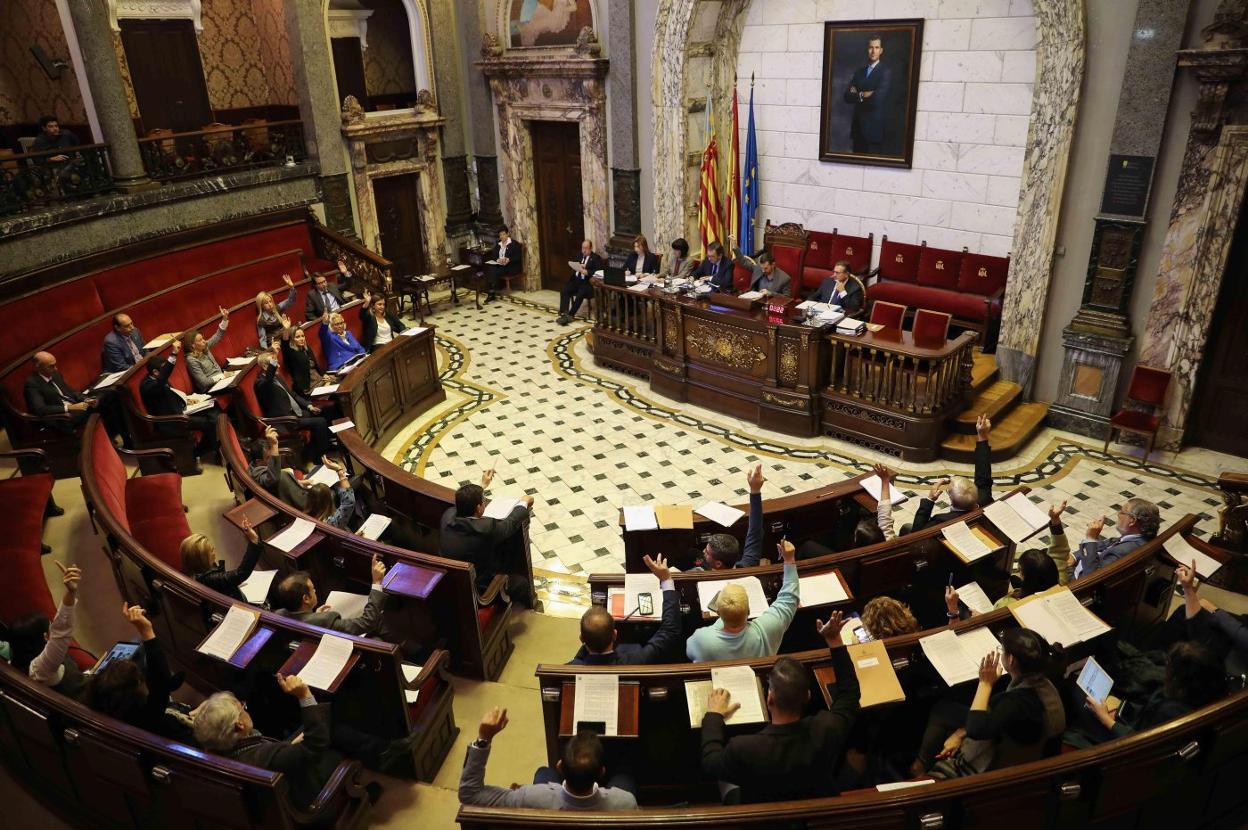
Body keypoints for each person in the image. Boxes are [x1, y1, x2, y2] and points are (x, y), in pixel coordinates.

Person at [700, 613, 861, 803]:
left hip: (762, 813)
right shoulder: (827, 728)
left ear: (769, 699)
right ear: (808, 696)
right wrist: (834, 640)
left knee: (726, 782)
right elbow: (849, 694)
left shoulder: (742, 748)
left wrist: (713, 715)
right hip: (814, 801)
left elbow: (710, 763)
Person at [193, 673, 416, 808]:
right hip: (306, 795)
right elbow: (315, 745)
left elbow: (275, 753)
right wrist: (305, 695)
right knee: (330, 736)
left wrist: (291, 746)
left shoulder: (216, 750)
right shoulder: (264, 757)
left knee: (327, 722)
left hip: (281, 769)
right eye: (242, 708)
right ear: (239, 726)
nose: (244, 708)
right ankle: (375, 766)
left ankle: (381, 750)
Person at [921, 628, 1065, 778]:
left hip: (1004, 770)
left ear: (1010, 660)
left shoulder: (1017, 702)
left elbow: (976, 729)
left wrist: (985, 683)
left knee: (943, 712)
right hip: (1030, 748)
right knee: (944, 710)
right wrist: (960, 733)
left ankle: (921, 768)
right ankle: (920, 765)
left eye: (1002, 650)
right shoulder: (1044, 682)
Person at [459, 707, 638, 810]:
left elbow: (470, 794)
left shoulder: (530, 797)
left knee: (544, 772)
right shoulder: (625, 802)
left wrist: (484, 738)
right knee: (624, 775)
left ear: (560, 766)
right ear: (602, 772)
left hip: (548, 803)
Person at [1076, 641, 1226, 745]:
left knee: (1077, 692)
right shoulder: (1206, 695)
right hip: (1131, 722)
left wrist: (1106, 720)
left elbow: (1139, 742)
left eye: (1169, 667)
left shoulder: (1170, 712)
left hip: (1122, 744)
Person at [87, 603, 193, 743]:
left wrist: (145, 632)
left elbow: (159, 689)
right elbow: (160, 689)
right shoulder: (153, 720)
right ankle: (170, 683)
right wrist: (146, 630)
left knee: (138, 646)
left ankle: (170, 683)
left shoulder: (102, 707)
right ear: (137, 690)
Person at [686, 539, 800, 662]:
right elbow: (789, 598)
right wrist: (789, 560)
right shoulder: (768, 628)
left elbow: (689, 652)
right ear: (749, 611)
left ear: (718, 613)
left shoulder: (702, 639)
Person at [440, 471, 534, 605]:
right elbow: (510, 523)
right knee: (522, 584)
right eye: (483, 501)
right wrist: (523, 502)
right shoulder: (485, 528)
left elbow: (461, 505)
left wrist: (482, 485)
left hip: (450, 584)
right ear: (479, 508)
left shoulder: (447, 516)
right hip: (479, 592)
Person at [572, 554, 680, 665]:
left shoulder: (571, 669)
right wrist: (666, 579)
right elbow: (669, 631)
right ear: (615, 635)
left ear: (581, 639)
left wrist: (588, 640)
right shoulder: (637, 660)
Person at [7, 562, 86, 698]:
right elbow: (61, 632)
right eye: (50, 627)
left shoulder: (21, 663)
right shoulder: (40, 670)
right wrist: (71, 592)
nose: (52, 629)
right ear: (45, 636)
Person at [139, 341, 219, 469]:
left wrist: (188, 400)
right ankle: (200, 451)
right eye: (164, 370)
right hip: (171, 421)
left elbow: (169, 391)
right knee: (211, 422)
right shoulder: (147, 386)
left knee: (214, 408)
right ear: (155, 372)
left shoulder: (157, 378)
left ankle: (214, 447)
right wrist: (174, 354)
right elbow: (162, 381)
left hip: (180, 410)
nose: (166, 374)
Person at [24, 350, 130, 446]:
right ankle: (107, 444)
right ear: (38, 366)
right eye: (51, 366)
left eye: (55, 365)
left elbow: (71, 392)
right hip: (61, 417)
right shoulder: (32, 384)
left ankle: (122, 439)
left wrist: (85, 399)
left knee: (108, 397)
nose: (55, 369)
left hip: (75, 407)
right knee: (100, 406)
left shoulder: (55, 374)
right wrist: (70, 408)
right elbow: (40, 409)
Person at [910, 415, 993, 533]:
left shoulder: (941, 521)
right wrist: (982, 436)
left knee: (906, 528)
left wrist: (929, 500)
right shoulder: (985, 498)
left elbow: (916, 534)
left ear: (950, 498)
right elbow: (983, 473)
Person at [253, 347, 333, 463]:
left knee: (326, 411)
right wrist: (274, 356)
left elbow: (293, 395)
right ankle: (319, 458)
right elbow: (268, 381)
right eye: (275, 364)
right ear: (265, 367)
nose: (278, 366)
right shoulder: (261, 384)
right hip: (285, 420)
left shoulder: (278, 378)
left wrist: (309, 406)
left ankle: (321, 447)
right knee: (320, 422)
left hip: (295, 413)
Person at [272, 555, 387, 636]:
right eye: (312, 589)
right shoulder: (325, 620)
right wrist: (376, 583)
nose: (315, 590)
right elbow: (367, 623)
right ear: (306, 599)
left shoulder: (279, 614)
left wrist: (313, 615)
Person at [688, 463, 767, 571]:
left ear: (718, 564)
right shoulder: (747, 566)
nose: (703, 552)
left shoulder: (700, 577)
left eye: (706, 552)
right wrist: (755, 491)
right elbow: (755, 532)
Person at [1175, 560, 1248, 671]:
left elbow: (1241, 635)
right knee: (1197, 612)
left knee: (1186, 613)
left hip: (1234, 660)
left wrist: (1215, 611)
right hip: (1242, 629)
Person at [1069, 498, 1160, 580]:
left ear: (1132, 521)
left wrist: (1090, 538)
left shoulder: (1125, 550)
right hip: (1082, 565)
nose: (1118, 515)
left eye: (1122, 512)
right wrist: (1074, 557)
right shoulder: (1137, 538)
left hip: (1075, 580)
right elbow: (1107, 543)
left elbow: (1091, 575)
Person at [179, 520, 263, 603]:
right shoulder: (210, 579)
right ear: (202, 558)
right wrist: (254, 540)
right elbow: (241, 573)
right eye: (211, 550)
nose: (214, 551)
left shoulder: (196, 571)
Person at [843, 35, 892, 156]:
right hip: (858, 129)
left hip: (873, 130)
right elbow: (847, 96)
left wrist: (857, 94)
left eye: (876, 47)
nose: (873, 51)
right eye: (871, 47)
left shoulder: (885, 72)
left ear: (881, 50)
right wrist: (863, 94)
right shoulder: (859, 72)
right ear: (867, 50)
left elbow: (877, 100)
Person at [184, 308, 231, 392]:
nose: (204, 341)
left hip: (221, 380)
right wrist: (221, 376)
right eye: (200, 340)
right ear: (193, 345)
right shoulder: (191, 360)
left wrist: (224, 319)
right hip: (211, 388)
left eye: (203, 339)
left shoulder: (204, 347)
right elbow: (204, 383)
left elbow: (218, 335)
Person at [557, 239, 603, 325]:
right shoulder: (579, 255)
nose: (584, 250)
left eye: (586, 248)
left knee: (580, 294)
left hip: (587, 282)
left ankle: (570, 315)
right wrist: (577, 266)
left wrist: (587, 272)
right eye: (583, 248)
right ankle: (564, 313)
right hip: (576, 280)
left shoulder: (596, 258)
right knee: (564, 290)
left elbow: (598, 271)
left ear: (590, 248)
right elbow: (575, 265)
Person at [280, 325, 330, 399]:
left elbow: (315, 367)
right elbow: (285, 344)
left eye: (302, 336)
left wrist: (323, 376)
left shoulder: (306, 349)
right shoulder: (291, 353)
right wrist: (286, 329)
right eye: (297, 337)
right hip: (309, 389)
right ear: (292, 339)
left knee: (338, 383)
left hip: (320, 381)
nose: (301, 339)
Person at [304, 456, 356, 529]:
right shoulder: (331, 523)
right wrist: (339, 469)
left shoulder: (304, 517)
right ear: (329, 500)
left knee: (317, 468)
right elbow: (349, 501)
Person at [255, 274, 296, 349]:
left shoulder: (277, 308)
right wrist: (266, 353)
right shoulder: (261, 320)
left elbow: (291, 301)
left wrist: (291, 287)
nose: (270, 304)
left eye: (270, 301)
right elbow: (262, 339)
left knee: (296, 332)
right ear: (261, 306)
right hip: (275, 343)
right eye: (266, 303)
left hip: (284, 335)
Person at [486, 227, 522, 303]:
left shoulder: (514, 244)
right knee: (490, 268)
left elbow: (518, 257)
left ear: (508, 234)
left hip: (511, 266)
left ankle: (491, 292)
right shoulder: (498, 244)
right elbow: (493, 255)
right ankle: (491, 292)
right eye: (500, 235)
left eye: (503, 234)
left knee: (493, 270)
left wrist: (508, 260)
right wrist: (498, 260)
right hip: (501, 265)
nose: (502, 236)